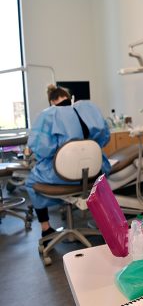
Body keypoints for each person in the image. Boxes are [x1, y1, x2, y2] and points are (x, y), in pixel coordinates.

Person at [25, 85, 111, 243]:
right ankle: (107, 223)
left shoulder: (48, 115)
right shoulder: (88, 109)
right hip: (93, 173)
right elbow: (104, 139)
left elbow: (42, 150)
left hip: (61, 178)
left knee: (31, 183)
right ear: (68, 97)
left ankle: (46, 228)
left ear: (52, 101)